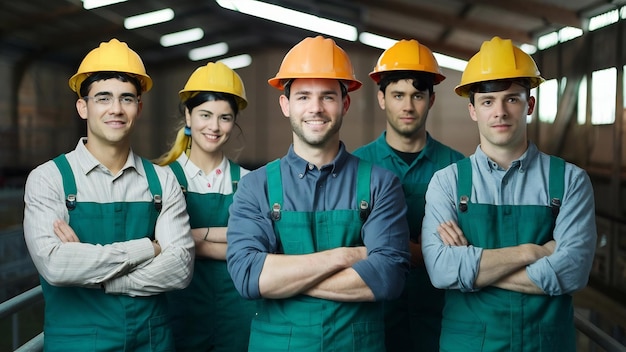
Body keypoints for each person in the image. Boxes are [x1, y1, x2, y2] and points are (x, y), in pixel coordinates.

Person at [226, 35, 411, 352]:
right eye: (303, 97)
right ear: (285, 105)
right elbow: (249, 277)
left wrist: (285, 277)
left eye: (327, 96)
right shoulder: (255, 186)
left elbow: (388, 277)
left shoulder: (381, 184)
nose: (315, 108)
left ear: (345, 103)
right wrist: (347, 256)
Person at [421, 36, 597, 351]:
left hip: (546, 344)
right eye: (488, 101)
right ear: (473, 109)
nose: (499, 111)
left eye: (512, 99)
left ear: (529, 105)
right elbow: (441, 270)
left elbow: (572, 273)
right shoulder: (446, 183)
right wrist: (533, 253)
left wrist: (472, 270)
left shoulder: (570, 181)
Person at [23, 38, 194, 351]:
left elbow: (180, 269)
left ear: (138, 108)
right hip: (76, 344)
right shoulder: (49, 179)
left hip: (152, 342)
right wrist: (148, 249)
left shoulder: (162, 181)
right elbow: (56, 266)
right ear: (82, 106)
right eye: (103, 98)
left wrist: (98, 275)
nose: (116, 109)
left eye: (127, 99)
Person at [353, 39, 465, 351]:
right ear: (381, 99)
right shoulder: (356, 167)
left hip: (441, 322)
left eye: (417, 95)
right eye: (398, 95)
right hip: (375, 323)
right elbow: (349, 242)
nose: (407, 106)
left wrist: (386, 248)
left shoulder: (458, 167)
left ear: (431, 99)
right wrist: (431, 252)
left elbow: (466, 248)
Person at [155, 61, 256, 352]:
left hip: (238, 321)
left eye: (225, 117)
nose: (214, 126)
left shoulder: (250, 183)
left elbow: (257, 248)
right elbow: (153, 247)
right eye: (205, 115)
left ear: (234, 122)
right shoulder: (162, 180)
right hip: (178, 317)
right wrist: (232, 237)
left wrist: (189, 237)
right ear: (188, 116)